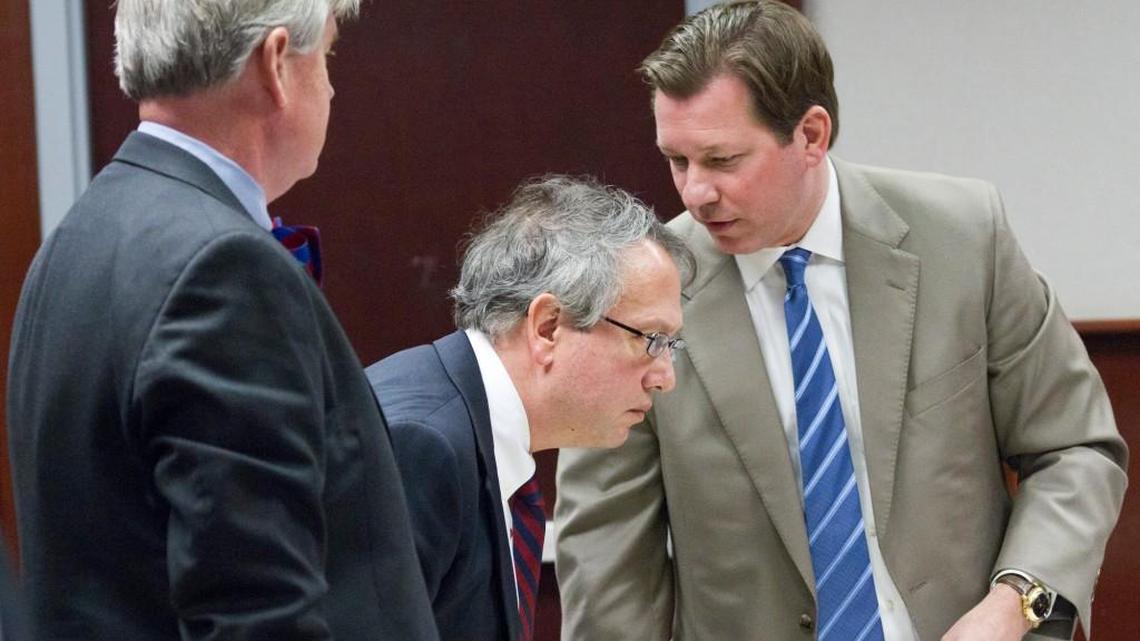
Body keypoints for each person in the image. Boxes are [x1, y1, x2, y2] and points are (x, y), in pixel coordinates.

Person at [554, 2, 1128, 640]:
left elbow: (1074, 448)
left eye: (721, 161)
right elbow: (607, 560)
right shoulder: (633, 299)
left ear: (811, 135)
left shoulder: (964, 237)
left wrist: (1015, 603)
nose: (694, 193)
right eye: (676, 160)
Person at [5, 1, 437, 639]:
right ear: (276, 66)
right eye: (329, 56)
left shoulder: (77, 237)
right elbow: (257, 611)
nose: (333, 83)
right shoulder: (224, 267)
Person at [366, 176, 693, 641]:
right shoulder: (419, 445)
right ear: (547, 327)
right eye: (650, 339)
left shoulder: (468, 425)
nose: (665, 377)